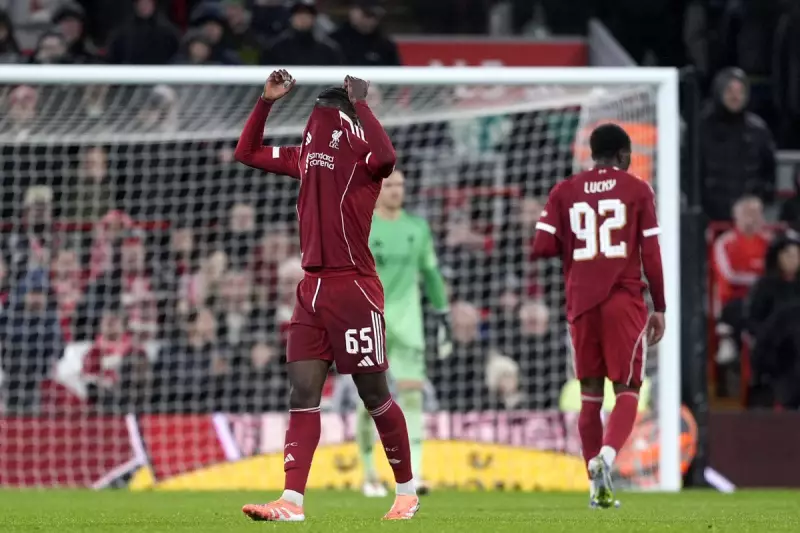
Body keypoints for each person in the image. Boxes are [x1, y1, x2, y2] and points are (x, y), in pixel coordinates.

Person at [235, 69, 417, 521]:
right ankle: (291, 502)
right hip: (310, 288)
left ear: (343, 121)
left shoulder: (363, 156)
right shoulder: (304, 156)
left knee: (374, 394)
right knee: (302, 391)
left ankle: (407, 491)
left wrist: (362, 105)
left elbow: (388, 155)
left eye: (325, 113)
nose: (315, 122)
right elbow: (247, 152)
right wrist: (266, 101)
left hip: (353, 286)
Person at [532, 123, 665, 509]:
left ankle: (596, 488)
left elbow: (542, 245)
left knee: (590, 398)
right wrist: (661, 307)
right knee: (627, 390)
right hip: (623, 300)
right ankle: (605, 460)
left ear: (593, 154)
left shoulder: (565, 191)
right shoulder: (638, 190)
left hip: (581, 303)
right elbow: (652, 255)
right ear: (624, 155)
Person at [354, 169, 450, 497]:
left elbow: (431, 273)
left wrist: (443, 313)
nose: (397, 191)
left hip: (409, 326)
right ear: (377, 190)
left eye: (400, 186)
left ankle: (417, 473)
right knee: (369, 400)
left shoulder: (417, 228)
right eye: (390, 185)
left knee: (412, 397)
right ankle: (369, 475)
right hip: (369, 321)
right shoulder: (362, 225)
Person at [699, 68, 776, 221]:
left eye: (740, 91)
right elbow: (691, 173)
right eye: (729, 90)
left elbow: (769, 174)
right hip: (708, 218)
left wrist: (758, 200)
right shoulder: (701, 128)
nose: (736, 96)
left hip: (748, 219)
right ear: (719, 91)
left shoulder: (759, 130)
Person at [262, 0, 343, 66]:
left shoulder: (328, 50)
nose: (303, 18)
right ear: (291, 18)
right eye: (299, 14)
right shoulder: (275, 48)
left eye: (307, 14)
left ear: (314, 18)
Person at [107, 0, 180, 65]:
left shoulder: (168, 32)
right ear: (135, 5)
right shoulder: (122, 32)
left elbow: (176, 56)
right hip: (130, 75)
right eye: (142, 3)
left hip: (160, 75)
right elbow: (113, 58)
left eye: (147, 3)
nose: (144, 6)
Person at [331, 0, 400, 66]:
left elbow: (397, 73)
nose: (372, 20)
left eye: (376, 15)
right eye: (368, 14)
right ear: (353, 12)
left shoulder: (385, 45)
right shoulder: (334, 42)